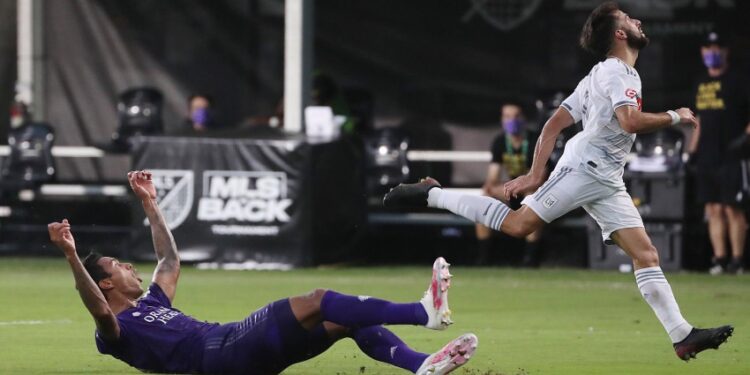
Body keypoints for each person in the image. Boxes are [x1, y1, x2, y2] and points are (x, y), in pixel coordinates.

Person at [384, 1, 732, 361]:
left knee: (646, 254)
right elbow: (629, 121)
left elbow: (553, 125)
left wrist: (536, 173)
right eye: (629, 19)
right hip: (586, 167)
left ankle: (682, 335)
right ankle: (433, 195)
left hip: (607, 177)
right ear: (619, 33)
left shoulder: (598, 74)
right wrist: (675, 115)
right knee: (519, 225)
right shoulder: (619, 73)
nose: (637, 21)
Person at [47, 170, 478, 375]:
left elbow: (170, 262)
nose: (128, 268)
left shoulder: (151, 303)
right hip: (220, 354)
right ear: (105, 284)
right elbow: (100, 312)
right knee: (318, 299)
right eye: (118, 267)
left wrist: (150, 204)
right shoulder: (114, 329)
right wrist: (71, 254)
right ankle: (423, 313)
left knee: (344, 320)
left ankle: (422, 365)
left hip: (236, 353)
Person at [687, 31, 750, 275]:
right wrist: (691, 152)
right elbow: (699, 120)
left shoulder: (739, 80)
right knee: (712, 208)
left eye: (717, 47)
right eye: (708, 48)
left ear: (726, 51)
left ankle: (737, 260)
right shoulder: (701, 82)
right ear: (702, 52)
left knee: (732, 208)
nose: (712, 52)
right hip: (707, 155)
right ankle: (720, 259)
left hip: (733, 154)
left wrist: (745, 138)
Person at [476, 102, 546, 266]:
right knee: (484, 197)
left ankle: (530, 259)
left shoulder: (536, 140)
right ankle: (483, 257)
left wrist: (518, 187)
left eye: (515, 116)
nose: (511, 120)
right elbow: (492, 179)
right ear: (501, 119)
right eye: (507, 117)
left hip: (534, 190)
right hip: (513, 191)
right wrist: (496, 188)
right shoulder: (500, 141)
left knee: (533, 198)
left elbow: (540, 177)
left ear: (523, 118)